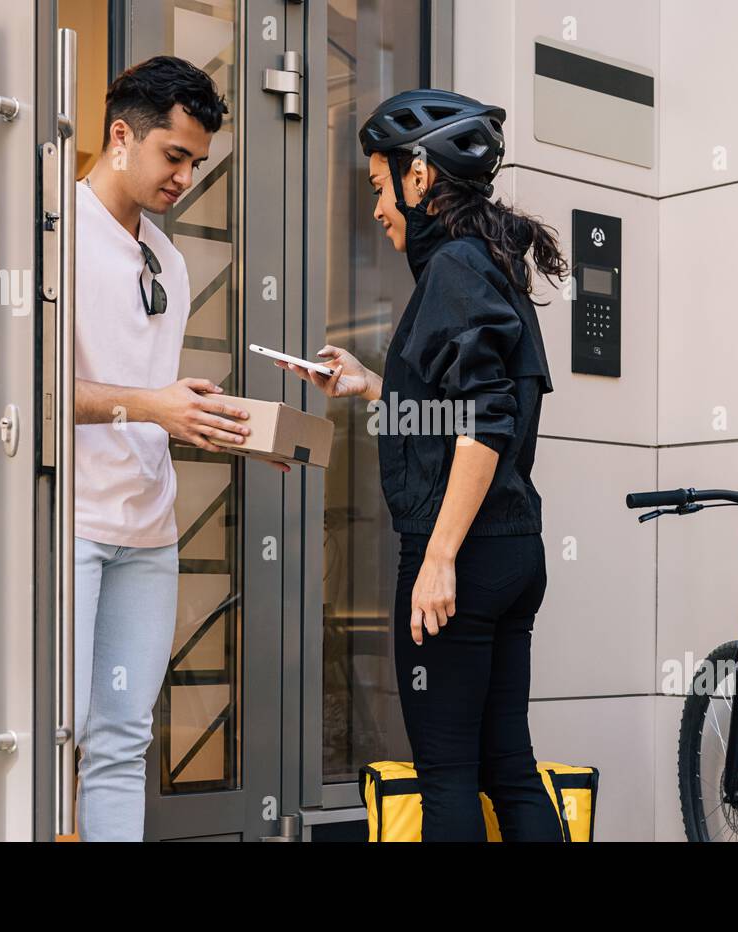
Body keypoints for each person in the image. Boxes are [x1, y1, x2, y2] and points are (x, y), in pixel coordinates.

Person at [280, 89, 570, 841]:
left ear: (419, 176)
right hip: (512, 551)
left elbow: (484, 423)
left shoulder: (454, 270)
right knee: (508, 767)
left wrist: (439, 557)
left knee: (447, 776)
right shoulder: (490, 263)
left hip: (462, 556)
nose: (378, 209)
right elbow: (461, 411)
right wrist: (373, 385)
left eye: (380, 185)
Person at [72, 55, 285, 842]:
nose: (186, 177)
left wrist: (217, 422)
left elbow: (150, 393)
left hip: (149, 531)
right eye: (175, 156)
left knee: (125, 738)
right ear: (120, 136)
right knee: (53, 729)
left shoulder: (172, 258)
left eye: (198, 162)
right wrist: (151, 404)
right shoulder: (51, 236)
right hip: (71, 524)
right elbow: (34, 391)